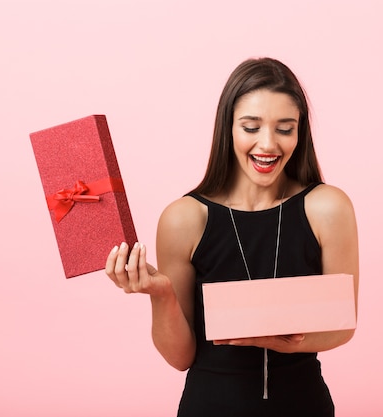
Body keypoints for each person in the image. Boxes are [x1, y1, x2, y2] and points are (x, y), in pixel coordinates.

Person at [105, 57, 359, 417]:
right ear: (228, 128)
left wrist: (278, 342)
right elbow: (180, 358)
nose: (268, 144)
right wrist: (161, 294)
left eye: (285, 128)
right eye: (251, 127)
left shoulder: (327, 208)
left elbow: (342, 327)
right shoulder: (184, 218)